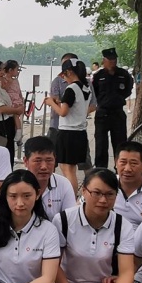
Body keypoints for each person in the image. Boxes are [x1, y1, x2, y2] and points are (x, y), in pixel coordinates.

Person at [44, 58, 92, 194]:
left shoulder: (71, 89)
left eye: (64, 74)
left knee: (68, 170)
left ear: (69, 72)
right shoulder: (85, 87)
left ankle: (71, 198)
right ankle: (73, 196)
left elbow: (63, 112)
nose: (63, 78)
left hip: (68, 133)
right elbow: (75, 107)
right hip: (80, 132)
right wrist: (59, 102)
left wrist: (51, 103)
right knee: (71, 169)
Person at [91, 48, 135, 169]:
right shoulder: (98, 76)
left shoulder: (123, 74)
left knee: (120, 144)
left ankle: (119, 169)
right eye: (110, 60)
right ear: (104, 60)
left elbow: (128, 90)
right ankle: (101, 169)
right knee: (101, 144)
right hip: (102, 113)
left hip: (117, 112)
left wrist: (118, 99)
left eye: (114, 59)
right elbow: (94, 92)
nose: (112, 62)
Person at [21, 136, 77, 219]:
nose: (44, 167)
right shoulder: (15, 183)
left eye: (49, 160)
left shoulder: (64, 184)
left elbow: (70, 218)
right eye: (38, 161)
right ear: (26, 161)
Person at [113, 141, 142, 233]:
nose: (127, 169)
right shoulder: (106, 185)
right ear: (116, 163)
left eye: (133, 163)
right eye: (123, 162)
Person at [2, 60, 26, 145]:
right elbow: (3, 89)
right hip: (9, 101)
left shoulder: (16, 80)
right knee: (15, 116)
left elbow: (19, 91)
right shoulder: (4, 80)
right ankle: (18, 132)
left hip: (16, 100)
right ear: (10, 70)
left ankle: (19, 132)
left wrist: (22, 100)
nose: (18, 72)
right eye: (17, 69)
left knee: (16, 116)